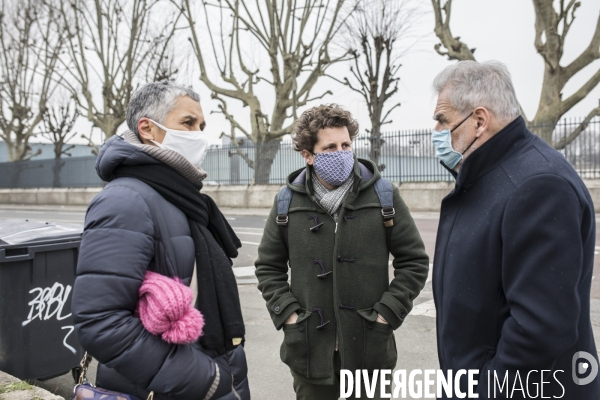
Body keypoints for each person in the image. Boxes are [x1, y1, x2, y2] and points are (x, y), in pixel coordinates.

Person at [431, 60, 600, 398]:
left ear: (479, 120)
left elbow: (540, 330)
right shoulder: (490, 175)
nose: (437, 131)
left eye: (443, 121)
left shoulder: (538, 185)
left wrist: (483, 389)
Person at [72, 81, 250, 400]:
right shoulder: (125, 200)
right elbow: (101, 322)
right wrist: (205, 380)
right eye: (187, 123)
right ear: (147, 129)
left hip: (219, 374)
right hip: (176, 387)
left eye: (201, 126)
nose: (198, 134)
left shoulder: (181, 196)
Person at [254, 104, 429, 399]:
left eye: (346, 144)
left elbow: (414, 262)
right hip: (309, 353)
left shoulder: (384, 195)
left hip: (369, 352)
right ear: (308, 156)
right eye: (330, 146)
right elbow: (268, 267)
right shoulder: (286, 202)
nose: (341, 152)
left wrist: (385, 315)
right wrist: (289, 316)